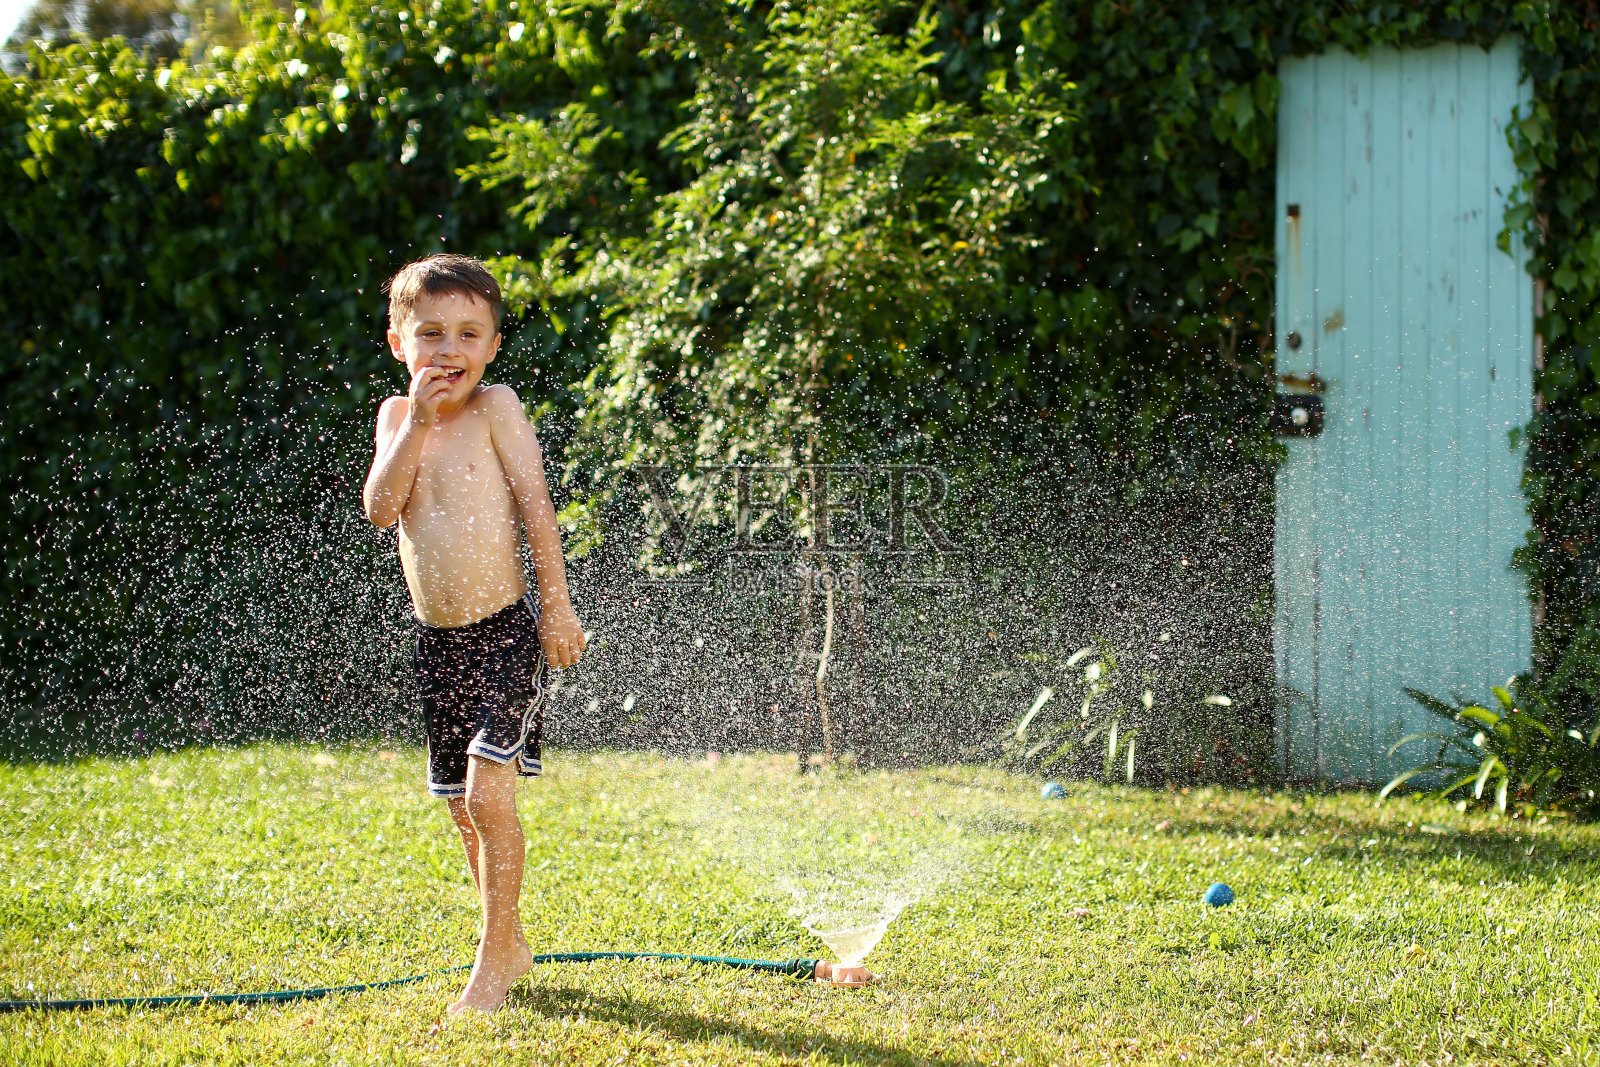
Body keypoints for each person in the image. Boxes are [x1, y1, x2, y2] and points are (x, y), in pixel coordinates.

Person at [362, 253, 587, 1014]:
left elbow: (536, 508)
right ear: (399, 343)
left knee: (492, 796)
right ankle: (510, 937)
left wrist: (556, 608)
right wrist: (418, 424)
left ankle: (492, 963)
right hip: (439, 643)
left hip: (506, 636)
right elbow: (381, 508)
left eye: (468, 333)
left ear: (492, 346)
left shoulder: (498, 408)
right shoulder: (398, 419)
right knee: (463, 804)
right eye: (430, 334)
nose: (449, 350)